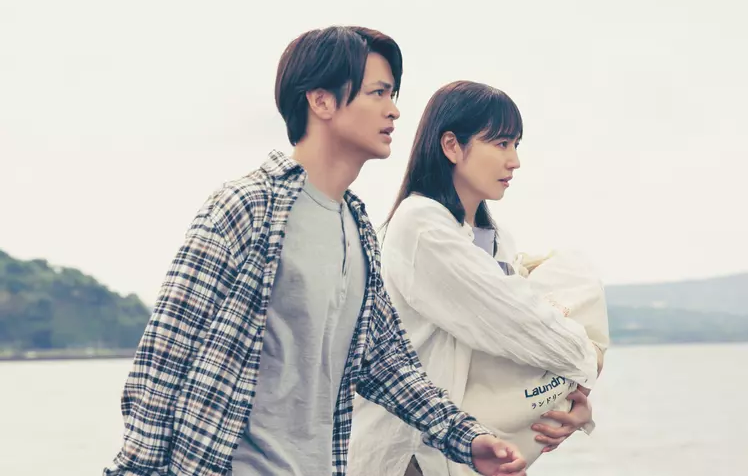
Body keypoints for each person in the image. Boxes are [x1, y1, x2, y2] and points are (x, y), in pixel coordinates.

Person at [103, 28, 528, 476]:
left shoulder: (359, 228)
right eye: (378, 93)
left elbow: (387, 364)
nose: (394, 110)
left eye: (393, 94)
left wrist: (468, 439)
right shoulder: (249, 207)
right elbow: (163, 362)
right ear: (321, 101)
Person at [347, 80, 601, 476]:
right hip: (412, 456)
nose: (514, 161)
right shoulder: (421, 226)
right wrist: (587, 361)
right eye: (501, 144)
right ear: (451, 146)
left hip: (465, 453)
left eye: (516, 144)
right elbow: (516, 323)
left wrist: (573, 400)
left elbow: (518, 345)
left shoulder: (493, 237)